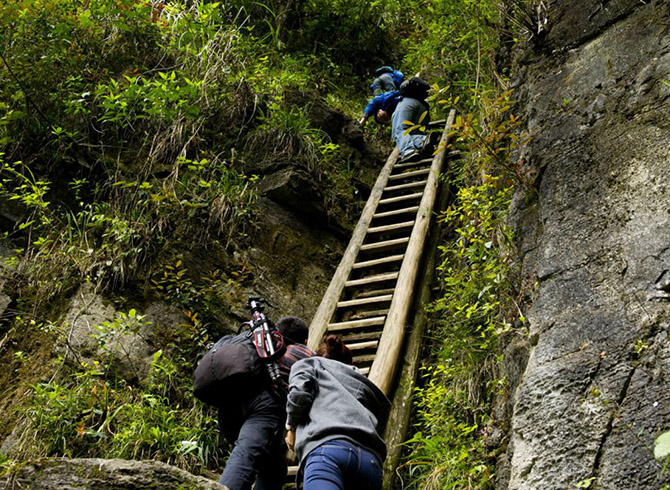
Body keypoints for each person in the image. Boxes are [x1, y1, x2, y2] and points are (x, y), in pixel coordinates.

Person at [216, 316, 313, 490]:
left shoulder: (262, 345)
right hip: (265, 406)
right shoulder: (303, 352)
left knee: (274, 468)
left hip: (229, 404)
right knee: (246, 457)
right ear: (305, 341)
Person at [285, 335, 391, 490]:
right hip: (370, 460)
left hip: (327, 451)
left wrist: (291, 427)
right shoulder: (361, 382)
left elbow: (299, 394)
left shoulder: (309, 364)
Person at [358, 89, 430, 160]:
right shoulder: (394, 110)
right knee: (411, 133)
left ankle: (408, 151)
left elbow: (372, 103)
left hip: (406, 103)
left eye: (380, 117)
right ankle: (422, 140)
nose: (383, 118)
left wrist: (363, 119)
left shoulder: (384, 101)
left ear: (378, 110)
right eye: (384, 120)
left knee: (398, 131)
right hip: (423, 107)